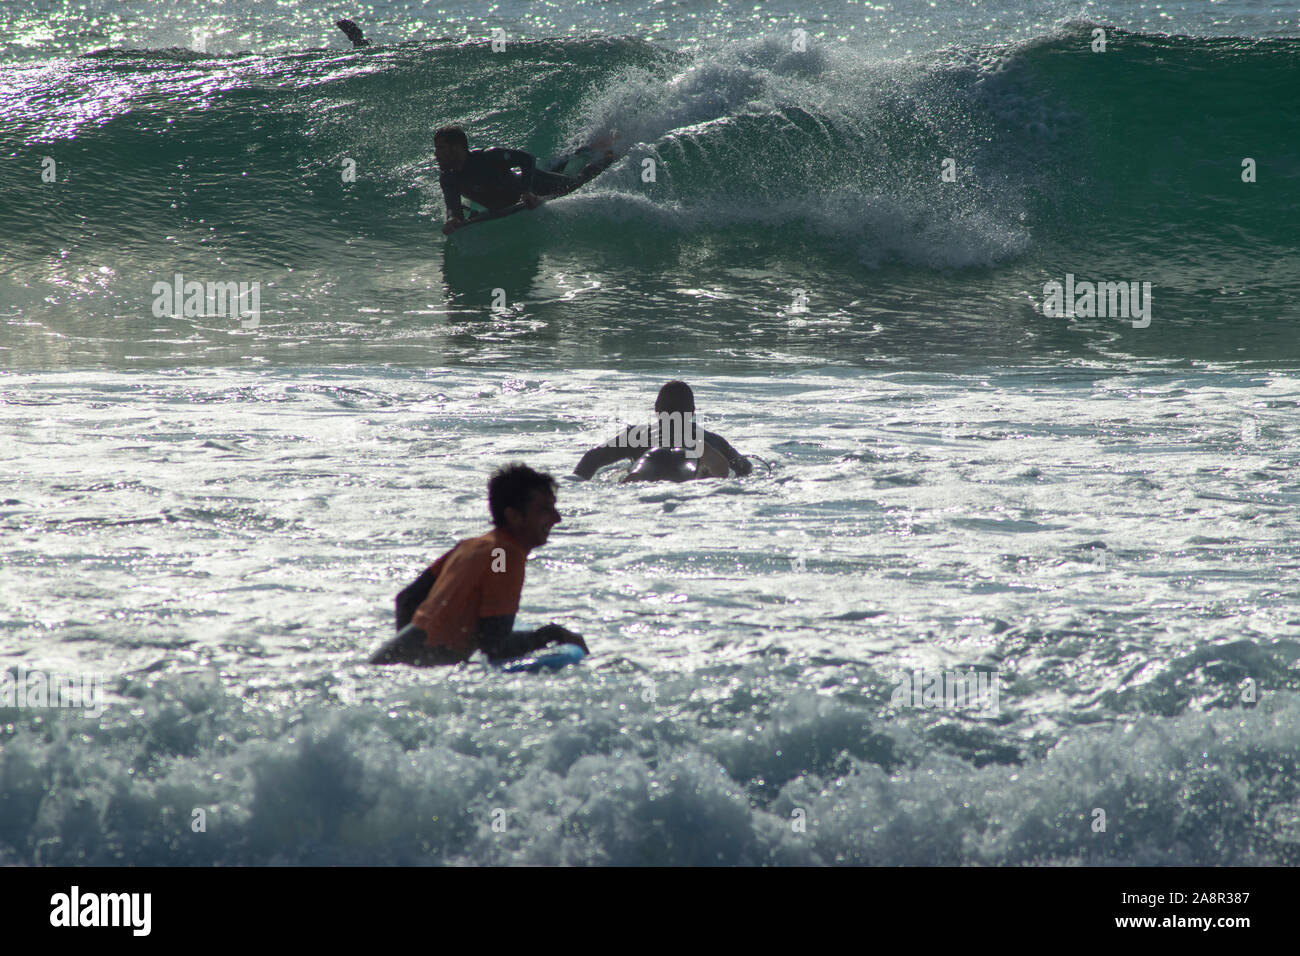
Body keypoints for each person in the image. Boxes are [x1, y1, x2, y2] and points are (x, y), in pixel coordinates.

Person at [370, 463, 586, 666]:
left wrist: (411, 662)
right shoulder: (503, 556)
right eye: (544, 510)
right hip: (415, 669)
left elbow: (407, 600)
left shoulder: (471, 546)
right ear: (514, 516)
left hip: (387, 658)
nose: (557, 518)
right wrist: (554, 635)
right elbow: (495, 645)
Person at [434, 125, 613, 235]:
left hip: (536, 184)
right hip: (513, 198)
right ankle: (574, 156)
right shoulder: (449, 178)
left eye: (440, 148)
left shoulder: (487, 157)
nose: (436, 154)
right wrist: (452, 220)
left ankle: (608, 155)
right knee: (558, 171)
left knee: (576, 182)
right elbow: (453, 209)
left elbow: (527, 159)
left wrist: (527, 191)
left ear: (457, 147)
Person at [573, 381, 753, 482]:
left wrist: (577, 481)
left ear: (656, 409)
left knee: (640, 472)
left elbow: (592, 458)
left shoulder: (637, 436)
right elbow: (745, 468)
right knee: (693, 471)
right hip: (692, 462)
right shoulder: (712, 440)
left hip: (653, 461)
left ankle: (637, 474)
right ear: (692, 411)